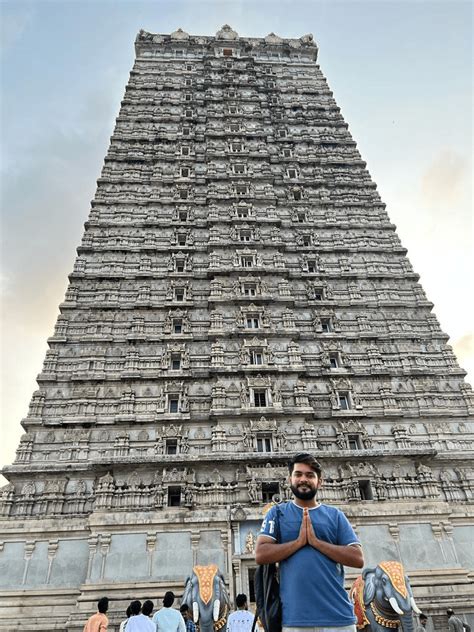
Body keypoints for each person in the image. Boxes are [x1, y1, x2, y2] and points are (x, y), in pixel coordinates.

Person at [255, 452, 364, 630]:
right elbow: (261, 554)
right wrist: (298, 542)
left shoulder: (335, 515)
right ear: (290, 480)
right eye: (298, 474)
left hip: (339, 619)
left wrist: (316, 542)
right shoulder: (277, 513)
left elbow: (358, 558)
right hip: (294, 620)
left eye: (310, 475)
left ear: (319, 481)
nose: (303, 479)